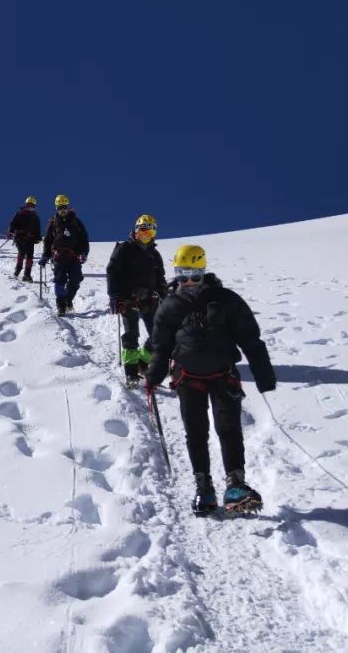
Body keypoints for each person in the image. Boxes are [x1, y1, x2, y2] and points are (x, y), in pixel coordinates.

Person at [144, 244, 277, 516]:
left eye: (195, 275)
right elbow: (161, 346)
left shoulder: (226, 300)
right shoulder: (170, 306)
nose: (189, 282)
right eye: (183, 275)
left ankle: (236, 484)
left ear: (204, 272)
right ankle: (203, 487)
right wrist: (153, 376)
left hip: (223, 375)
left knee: (229, 429)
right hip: (187, 377)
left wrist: (264, 375)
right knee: (196, 432)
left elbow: (251, 339)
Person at [106, 214, 168, 385]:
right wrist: (113, 295)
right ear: (136, 231)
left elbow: (161, 279)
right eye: (142, 231)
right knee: (131, 333)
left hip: (150, 299)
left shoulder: (155, 255)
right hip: (127, 298)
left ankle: (142, 361)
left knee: (159, 334)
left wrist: (165, 297)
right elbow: (112, 271)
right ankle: (131, 371)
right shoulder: (124, 249)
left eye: (150, 232)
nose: (146, 236)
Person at [38, 194, 90, 316]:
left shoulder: (76, 222)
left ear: (68, 207)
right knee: (60, 279)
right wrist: (45, 256)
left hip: (73, 256)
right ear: (56, 208)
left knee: (76, 279)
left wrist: (84, 253)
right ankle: (61, 306)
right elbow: (48, 241)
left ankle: (68, 299)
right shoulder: (53, 222)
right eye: (60, 208)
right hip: (58, 255)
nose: (62, 210)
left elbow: (83, 239)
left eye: (64, 207)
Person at [7, 196, 41, 281]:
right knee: (22, 253)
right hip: (20, 237)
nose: (30, 207)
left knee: (30, 256)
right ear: (26, 205)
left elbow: (37, 228)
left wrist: (38, 237)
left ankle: (27, 275)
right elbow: (13, 223)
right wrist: (10, 232)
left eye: (32, 205)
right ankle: (17, 271)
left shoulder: (35, 217)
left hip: (31, 239)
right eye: (29, 205)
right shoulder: (20, 213)